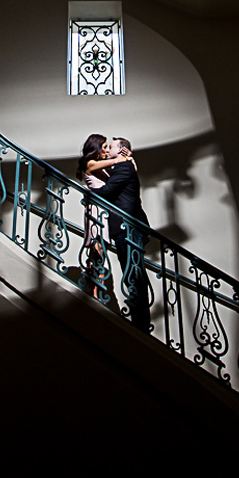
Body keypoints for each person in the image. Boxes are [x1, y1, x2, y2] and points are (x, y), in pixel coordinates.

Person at [95, 137, 151, 332]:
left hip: (128, 227)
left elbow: (108, 191)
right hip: (128, 227)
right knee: (133, 272)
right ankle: (140, 319)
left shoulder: (123, 168)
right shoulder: (125, 167)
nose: (108, 150)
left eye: (111, 147)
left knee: (134, 273)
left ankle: (141, 322)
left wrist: (91, 191)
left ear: (121, 150)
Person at [76, 134, 133, 298]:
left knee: (101, 248)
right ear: (96, 147)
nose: (107, 150)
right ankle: (92, 290)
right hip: (95, 209)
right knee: (97, 248)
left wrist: (129, 160)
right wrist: (122, 157)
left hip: (104, 211)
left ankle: (95, 289)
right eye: (105, 146)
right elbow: (115, 162)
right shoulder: (90, 163)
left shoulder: (101, 167)